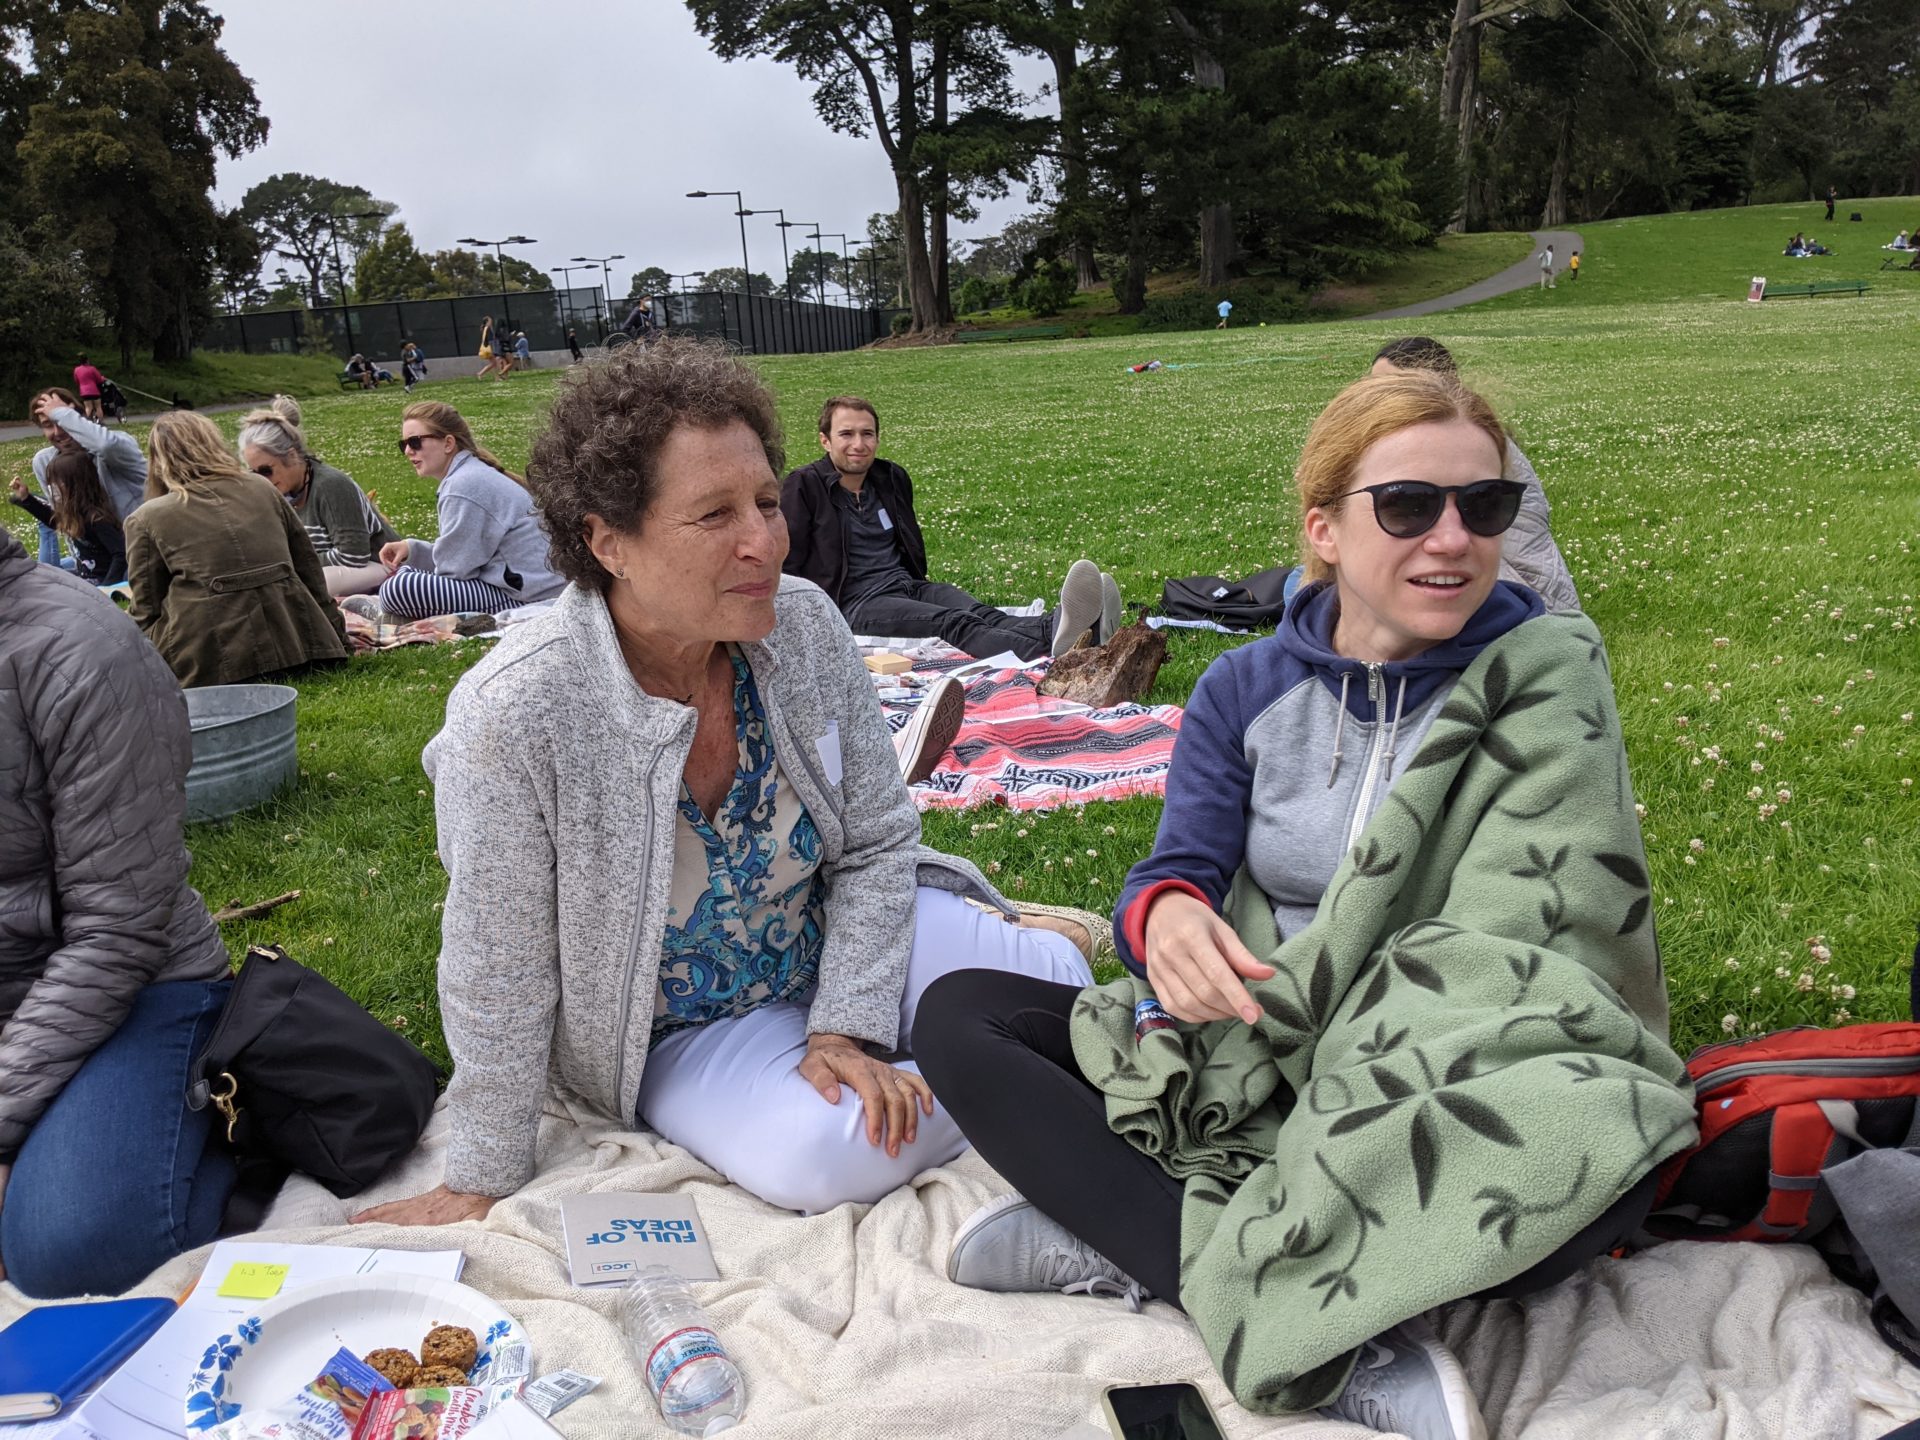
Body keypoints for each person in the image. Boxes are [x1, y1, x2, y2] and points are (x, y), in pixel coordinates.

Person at [913, 370, 1693, 1440]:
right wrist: (1170, 919)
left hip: (1448, 1053)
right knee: (962, 1017)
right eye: (1411, 505)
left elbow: (1545, 930)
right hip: (1254, 1036)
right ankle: (1319, 1322)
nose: (1454, 538)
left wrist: (1370, 1042)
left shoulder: (1545, 677)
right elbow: (1171, 870)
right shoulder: (1245, 690)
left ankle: (1134, 1240)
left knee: (1612, 1152)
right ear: (1324, 528)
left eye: (1486, 506)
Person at [352, 340, 1099, 1230]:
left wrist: (844, 1025)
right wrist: (479, 1172)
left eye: (767, 502)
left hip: (840, 941)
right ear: (606, 541)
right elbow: (497, 960)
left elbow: (876, 842)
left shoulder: (807, 626)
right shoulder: (516, 715)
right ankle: (1023, 1064)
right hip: (680, 1027)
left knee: (1073, 991)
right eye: (714, 515)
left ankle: (1023, 999)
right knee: (825, 1155)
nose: (764, 541)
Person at [0, 526, 238, 1298]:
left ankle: (220, 1127)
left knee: (72, 1246)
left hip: (131, 986)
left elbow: (118, 928)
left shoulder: (75, 649)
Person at [781, 396, 1120, 661]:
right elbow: (787, 564)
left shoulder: (890, 478)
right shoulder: (804, 487)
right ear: (825, 440)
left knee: (978, 611)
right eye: (847, 434)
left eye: (867, 433)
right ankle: (1051, 650)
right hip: (857, 603)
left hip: (908, 585)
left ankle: (1074, 628)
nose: (859, 444)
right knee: (953, 623)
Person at [124, 410, 349, 687]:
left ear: (157, 460)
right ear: (213, 443)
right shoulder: (262, 487)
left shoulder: (147, 518)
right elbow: (308, 568)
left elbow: (146, 610)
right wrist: (336, 637)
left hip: (210, 664)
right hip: (298, 643)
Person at [1369, 337, 1580, 614]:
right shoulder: (1464, 429)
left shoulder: (1454, 443)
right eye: (1371, 388)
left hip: (1523, 603)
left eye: (1389, 388)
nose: (1372, 400)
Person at [373, 401, 565, 620]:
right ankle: (388, 610)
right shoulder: (470, 474)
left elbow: (455, 571)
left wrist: (415, 571)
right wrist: (412, 550)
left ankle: (383, 610)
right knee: (405, 578)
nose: (408, 451)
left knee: (398, 587)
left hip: (527, 596)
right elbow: (463, 555)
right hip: (526, 585)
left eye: (415, 442)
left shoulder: (463, 485)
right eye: (404, 444)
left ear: (448, 443)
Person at [239, 395, 400, 597]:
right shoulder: (279, 492)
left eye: (265, 470)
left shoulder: (330, 485)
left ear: (291, 456)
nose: (262, 480)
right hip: (339, 570)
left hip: (383, 565)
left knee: (308, 584)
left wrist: (292, 562)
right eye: (253, 473)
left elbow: (354, 556)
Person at [29, 388, 146, 570]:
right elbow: (65, 518)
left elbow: (105, 445)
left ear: (78, 418)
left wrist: (62, 414)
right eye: (48, 425)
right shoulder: (45, 462)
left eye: (62, 420)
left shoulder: (119, 446)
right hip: (98, 561)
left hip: (142, 552)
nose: (58, 431)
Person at [7, 451, 126, 584]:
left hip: (98, 580)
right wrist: (26, 499)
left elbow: (121, 554)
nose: (53, 488)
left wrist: (107, 588)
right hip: (85, 576)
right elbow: (54, 522)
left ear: (77, 485)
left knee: (50, 583)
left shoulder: (96, 520)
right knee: (45, 576)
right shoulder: (75, 515)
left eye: (57, 483)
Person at [475, 315, 511, 381]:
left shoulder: (484, 328)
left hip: (488, 347)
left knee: (494, 363)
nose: (491, 321)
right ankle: (499, 377)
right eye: (490, 320)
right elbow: (490, 339)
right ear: (487, 321)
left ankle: (483, 374)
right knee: (497, 362)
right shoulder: (488, 328)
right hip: (490, 347)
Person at [72, 354, 106, 421]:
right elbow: (99, 379)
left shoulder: (76, 370)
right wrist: (103, 378)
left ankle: (88, 421)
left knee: (88, 407)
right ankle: (101, 422)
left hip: (84, 392)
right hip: (94, 390)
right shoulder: (92, 368)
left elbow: (76, 380)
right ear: (87, 360)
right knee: (98, 406)